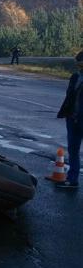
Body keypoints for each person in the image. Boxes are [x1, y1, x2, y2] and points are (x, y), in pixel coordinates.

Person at [56, 51, 83, 189]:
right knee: (73, 150)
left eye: (80, 63)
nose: (78, 66)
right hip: (72, 119)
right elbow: (69, 97)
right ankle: (72, 179)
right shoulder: (75, 77)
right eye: (78, 63)